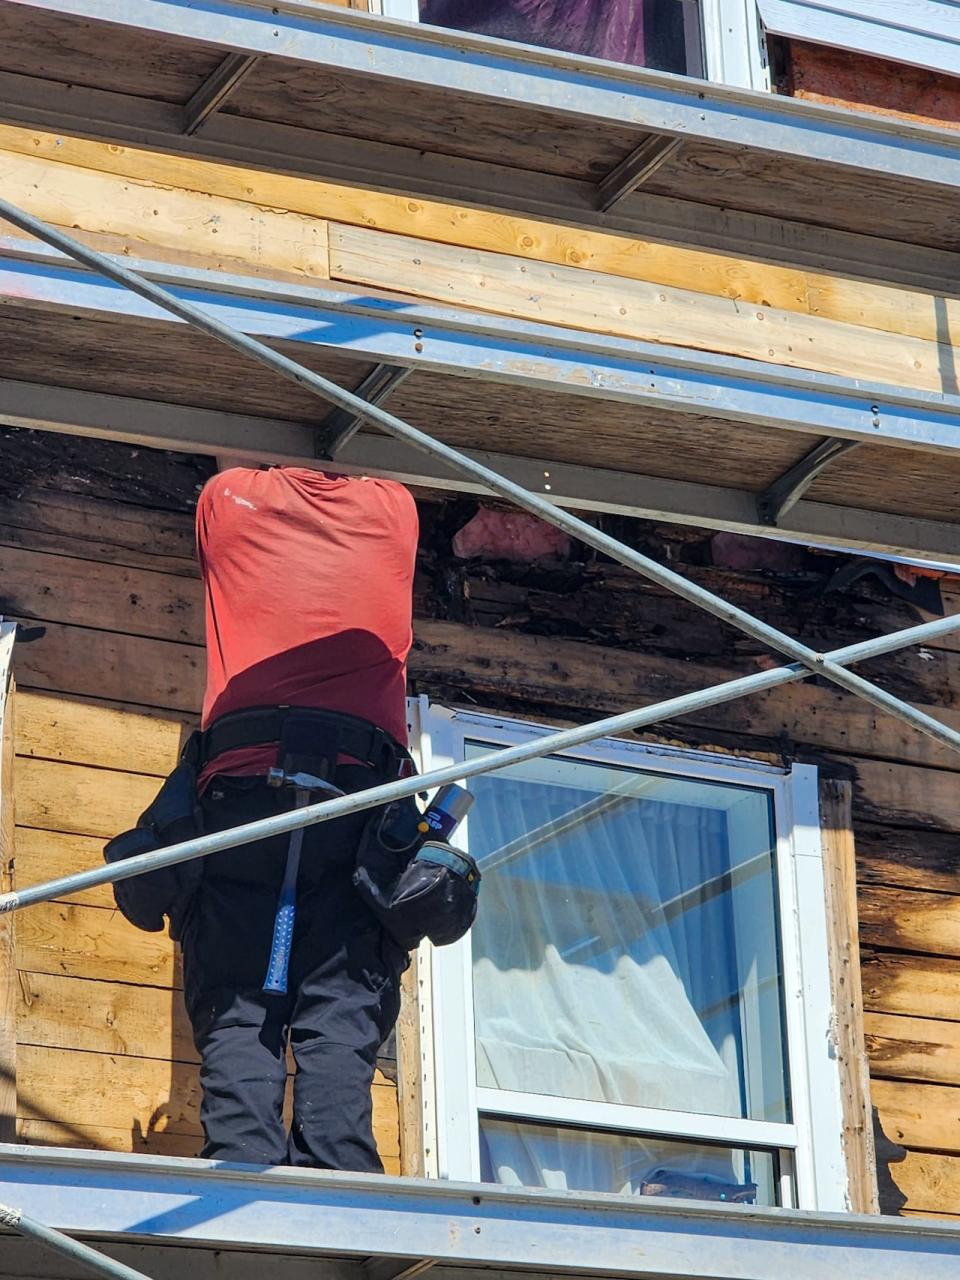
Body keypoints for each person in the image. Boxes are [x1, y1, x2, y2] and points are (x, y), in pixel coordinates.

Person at [179, 465, 419, 1171]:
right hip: (358, 796)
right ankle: (337, 1174)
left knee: (240, 995)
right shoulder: (396, 513)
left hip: (245, 784)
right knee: (342, 995)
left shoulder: (227, 500)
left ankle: (243, 1168)